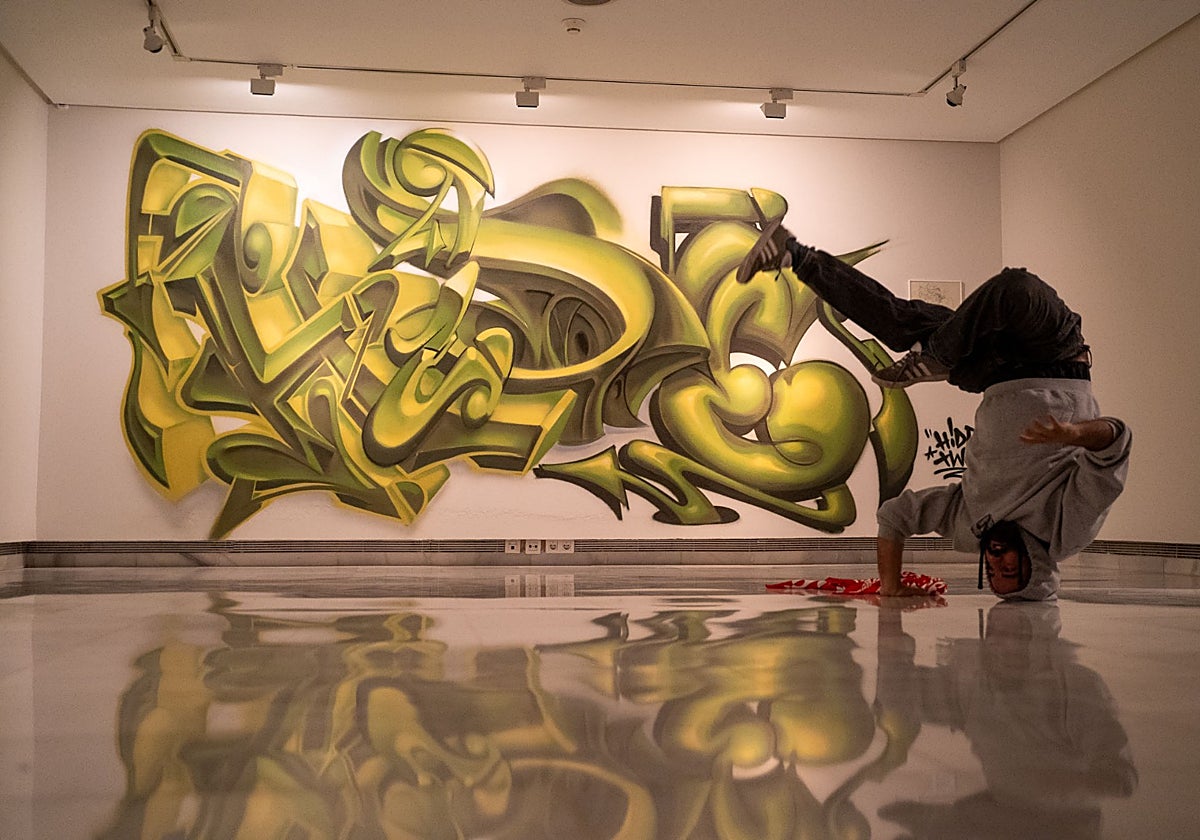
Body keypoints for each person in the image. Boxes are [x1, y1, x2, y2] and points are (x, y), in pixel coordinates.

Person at [737, 220, 1132, 599]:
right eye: (1010, 570)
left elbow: (894, 516)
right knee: (1016, 288)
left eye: (992, 573)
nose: (996, 562)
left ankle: (794, 254)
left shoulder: (969, 527)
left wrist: (890, 584)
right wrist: (1075, 434)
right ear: (1039, 565)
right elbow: (1116, 446)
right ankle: (938, 357)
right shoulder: (1066, 532)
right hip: (1056, 358)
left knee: (898, 325)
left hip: (994, 376)